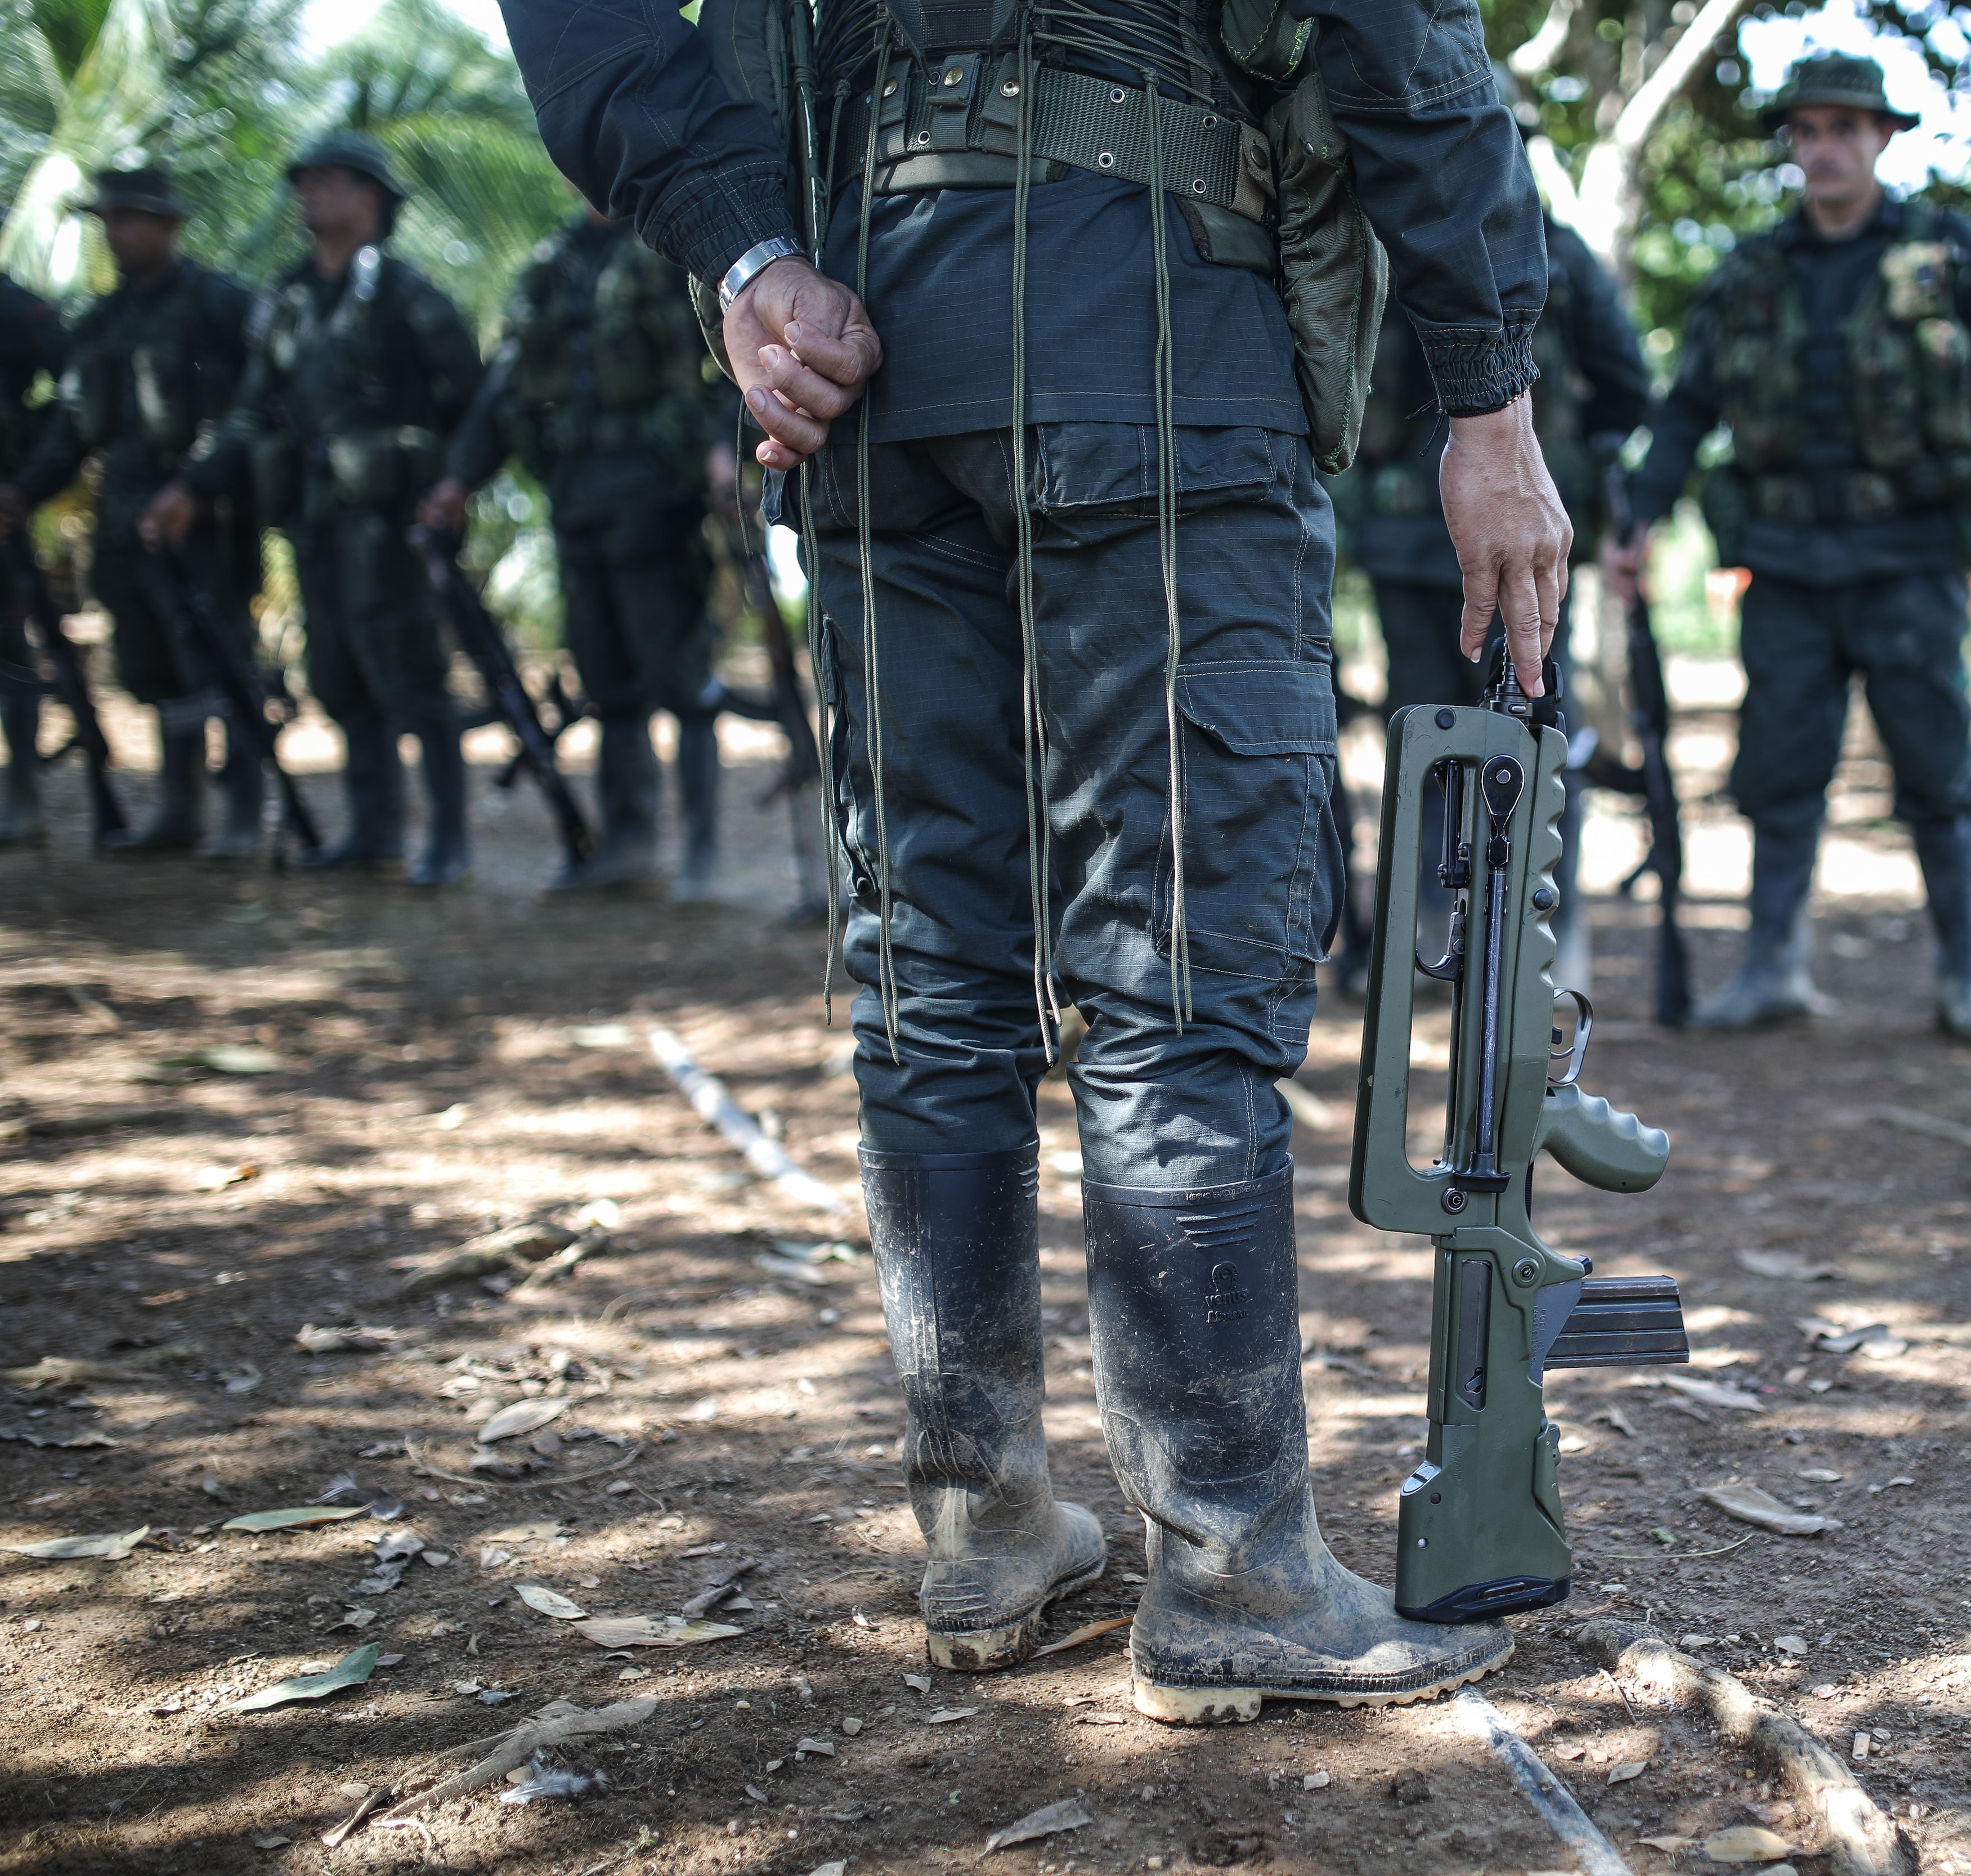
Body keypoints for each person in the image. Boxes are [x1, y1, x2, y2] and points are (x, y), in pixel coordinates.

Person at [494, 0, 1566, 1721]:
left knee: (928, 972)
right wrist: (1489, 401)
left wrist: (743, 251)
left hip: (856, 356)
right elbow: (1395, 37)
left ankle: (986, 1525)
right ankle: (1229, 1569)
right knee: (1179, 972)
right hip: (1149, 324)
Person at [1603, 53, 1971, 1043]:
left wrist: (1941, 488)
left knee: (1938, 771)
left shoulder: (1949, 253)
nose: (1825, 147)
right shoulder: (1752, 268)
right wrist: (1642, 516)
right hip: (1788, 565)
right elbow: (1689, 408)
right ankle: (1771, 968)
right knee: (1780, 768)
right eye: (1807, 130)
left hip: (1911, 558)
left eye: (1846, 127)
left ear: (1883, 136)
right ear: (1792, 146)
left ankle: (1966, 979)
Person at [150, 133, 483, 886]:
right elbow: (249, 412)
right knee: (338, 676)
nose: (307, 193)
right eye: (303, 182)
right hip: (315, 518)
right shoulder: (288, 298)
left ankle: (448, 841)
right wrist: (191, 488)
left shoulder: (407, 293)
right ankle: (375, 833)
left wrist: (450, 484)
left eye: (325, 182)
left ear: (368, 198)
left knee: (415, 681)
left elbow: (471, 397)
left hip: (394, 523)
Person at [1345, 180, 1647, 987]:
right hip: (1419, 542)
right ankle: (1467, 948)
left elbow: (1626, 384)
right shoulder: (1397, 241)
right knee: (1466, 741)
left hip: (1497, 544)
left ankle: (1510, 947)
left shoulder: (1549, 253)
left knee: (1490, 741)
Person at [424, 207, 737, 899]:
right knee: (607, 685)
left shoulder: (671, 243)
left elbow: (726, 365)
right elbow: (506, 386)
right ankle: (627, 848)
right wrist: (458, 480)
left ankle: (701, 859)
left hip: (660, 499)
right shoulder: (551, 263)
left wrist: (724, 453)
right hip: (576, 498)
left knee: (682, 681)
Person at [3, 169, 262, 859]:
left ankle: (244, 813)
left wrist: (198, 486)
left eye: (132, 219)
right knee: (153, 664)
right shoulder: (105, 321)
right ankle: (181, 809)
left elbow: (258, 405)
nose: (119, 234)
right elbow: (74, 426)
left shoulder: (221, 303)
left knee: (222, 661)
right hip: (124, 510)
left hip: (203, 513)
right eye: (110, 221)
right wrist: (23, 492)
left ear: (170, 225)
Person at [0, 276, 69, 848]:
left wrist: (23, 479)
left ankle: (23, 789)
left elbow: (80, 390)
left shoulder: (17, 309)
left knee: (7, 647)